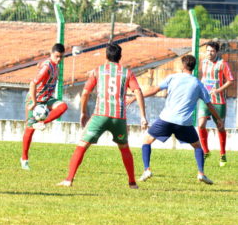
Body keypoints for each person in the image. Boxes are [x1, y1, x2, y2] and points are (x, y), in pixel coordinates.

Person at [57, 43, 147, 189]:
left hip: (100, 115)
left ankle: (68, 180)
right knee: (124, 148)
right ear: (120, 57)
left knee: (82, 145)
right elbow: (138, 92)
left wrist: (83, 113)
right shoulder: (127, 73)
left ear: (106, 56)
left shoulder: (98, 71)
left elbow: (85, 92)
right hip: (119, 117)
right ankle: (132, 183)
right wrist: (143, 116)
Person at [129, 55, 224, 185]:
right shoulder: (198, 83)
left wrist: (135, 97)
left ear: (182, 66)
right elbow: (209, 104)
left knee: (147, 141)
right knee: (197, 147)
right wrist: (218, 119)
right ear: (194, 67)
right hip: (184, 123)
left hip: (166, 119)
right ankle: (201, 173)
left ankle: (147, 170)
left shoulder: (172, 77)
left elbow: (154, 90)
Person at [20, 43, 68, 170]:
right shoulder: (47, 67)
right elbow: (32, 84)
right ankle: (24, 159)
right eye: (57, 56)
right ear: (51, 54)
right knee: (29, 130)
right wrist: (34, 103)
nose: (58, 59)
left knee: (63, 106)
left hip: (46, 99)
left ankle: (42, 122)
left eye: (61, 57)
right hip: (35, 99)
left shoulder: (54, 66)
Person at [197, 41, 234, 167]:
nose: (209, 53)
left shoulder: (222, 64)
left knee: (220, 127)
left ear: (216, 52)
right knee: (201, 124)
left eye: (212, 51)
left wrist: (218, 90)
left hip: (219, 101)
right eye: (207, 50)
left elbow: (230, 80)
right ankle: (206, 151)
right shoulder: (204, 62)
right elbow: (204, 77)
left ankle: (222, 154)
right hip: (205, 100)